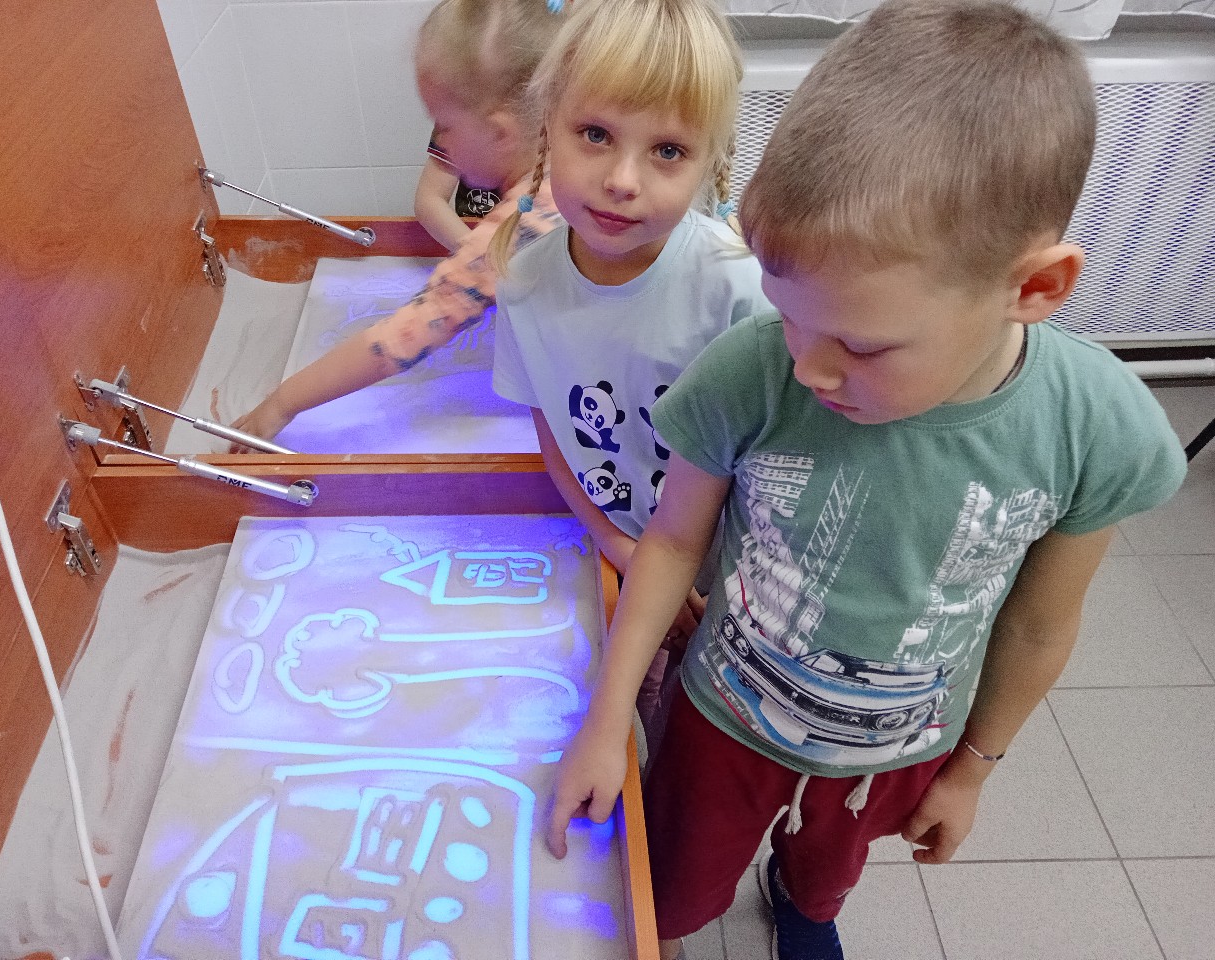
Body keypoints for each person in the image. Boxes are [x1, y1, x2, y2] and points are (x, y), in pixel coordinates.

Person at [543, 2, 1189, 959]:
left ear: (1035, 288)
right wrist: (608, 720)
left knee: (826, 873)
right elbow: (674, 541)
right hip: (724, 722)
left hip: (899, 749)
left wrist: (973, 769)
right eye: (791, 317)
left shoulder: (1098, 428)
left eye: (862, 344)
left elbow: (1040, 622)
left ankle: (804, 908)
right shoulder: (750, 369)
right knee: (672, 887)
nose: (808, 367)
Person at [489, 0, 770, 749]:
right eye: (595, 134)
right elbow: (554, 435)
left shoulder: (735, 287)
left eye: (668, 151)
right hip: (617, 548)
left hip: (733, 573)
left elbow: (775, 459)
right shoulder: (523, 286)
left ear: (710, 160)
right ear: (547, 127)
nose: (621, 179)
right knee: (620, 723)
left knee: (699, 725)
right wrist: (615, 543)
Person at [229, 0, 567, 448]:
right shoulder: (577, 157)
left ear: (499, 132)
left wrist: (280, 405)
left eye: (444, 125)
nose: (440, 141)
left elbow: (395, 341)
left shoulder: (520, 229)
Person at [415, 138, 501, 253]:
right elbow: (429, 200)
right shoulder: (458, 129)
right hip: (473, 234)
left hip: (520, 236)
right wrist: (477, 253)